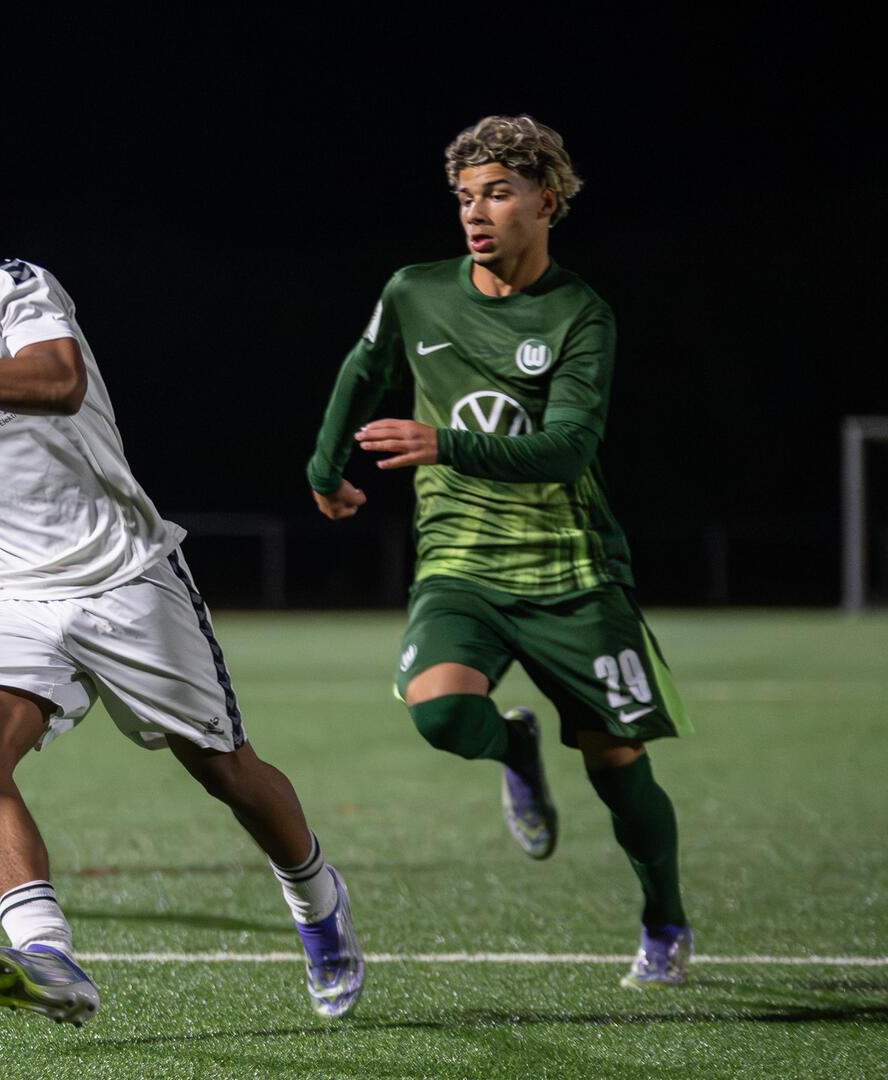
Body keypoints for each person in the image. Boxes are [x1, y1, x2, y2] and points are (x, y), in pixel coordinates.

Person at [0, 131, 363, 1024]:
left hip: (126, 575)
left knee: (225, 772)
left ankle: (318, 902)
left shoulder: (16, 289)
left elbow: (57, 382)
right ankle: (50, 960)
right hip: (22, 595)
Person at [307, 116, 694, 988]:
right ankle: (514, 749)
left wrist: (443, 443)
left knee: (619, 768)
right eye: (465, 196)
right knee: (439, 713)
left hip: (573, 569)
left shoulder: (580, 315)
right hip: (461, 562)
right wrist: (324, 469)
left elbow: (566, 449)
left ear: (545, 202)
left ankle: (664, 918)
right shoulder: (415, 291)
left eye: (498, 193)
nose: (476, 213)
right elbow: (360, 371)